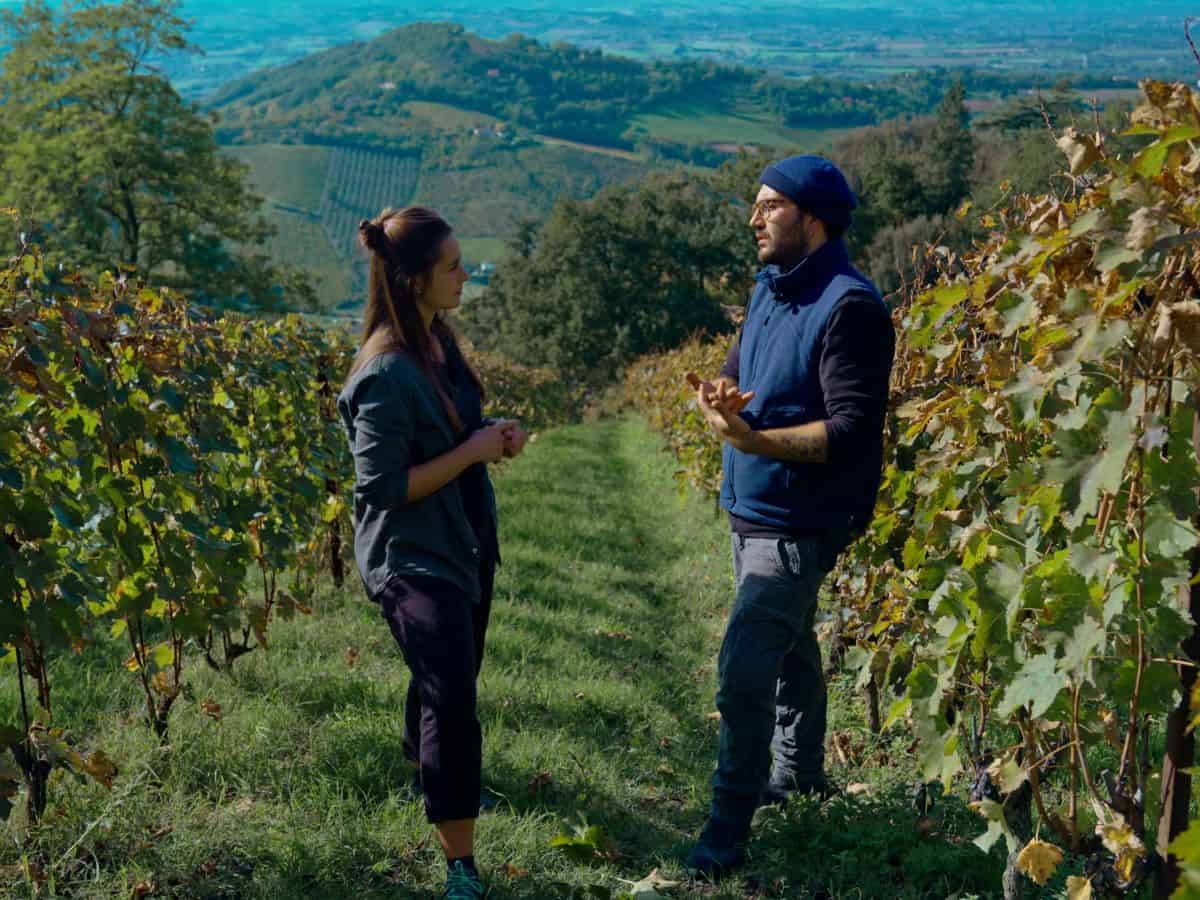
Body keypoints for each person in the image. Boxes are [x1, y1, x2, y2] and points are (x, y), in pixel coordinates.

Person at [683, 155, 896, 877]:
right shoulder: (770, 287)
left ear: (812, 219)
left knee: (745, 668)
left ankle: (726, 829)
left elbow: (851, 430)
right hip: (752, 507)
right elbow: (739, 369)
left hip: (799, 521)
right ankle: (800, 776)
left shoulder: (850, 307)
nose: (754, 218)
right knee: (792, 646)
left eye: (769, 205)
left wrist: (753, 439)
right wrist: (720, 397)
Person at [337, 206, 527, 900]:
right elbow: (382, 487)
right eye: (452, 266)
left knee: (449, 669)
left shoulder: (438, 342)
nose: (464, 274)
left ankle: (425, 768)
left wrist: (492, 437)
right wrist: (471, 452)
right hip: (413, 555)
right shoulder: (386, 371)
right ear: (415, 278)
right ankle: (461, 865)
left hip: (465, 539)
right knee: (453, 696)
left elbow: (456, 436)